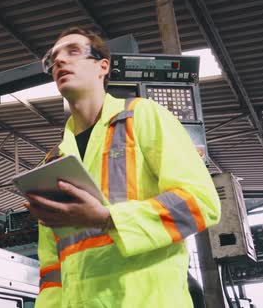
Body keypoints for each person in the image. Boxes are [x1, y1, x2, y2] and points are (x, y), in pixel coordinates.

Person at [24, 27, 221, 308]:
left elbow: (201, 201)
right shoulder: (53, 161)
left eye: (73, 52)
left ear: (103, 66)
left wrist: (108, 218)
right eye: (53, 58)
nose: (59, 61)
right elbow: (51, 266)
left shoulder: (143, 116)